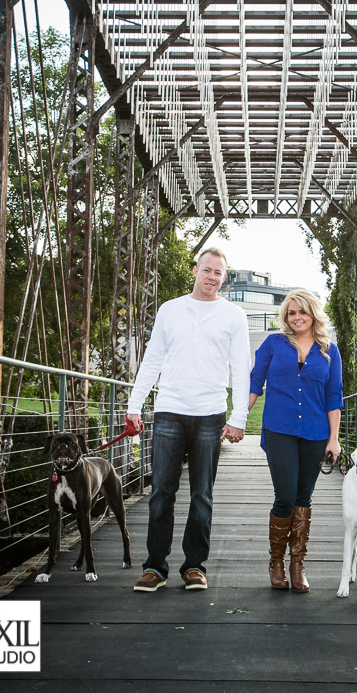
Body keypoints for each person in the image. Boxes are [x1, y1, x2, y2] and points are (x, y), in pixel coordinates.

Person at [125, 247, 250, 592]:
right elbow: (152, 361)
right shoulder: (170, 310)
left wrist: (238, 416)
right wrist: (134, 406)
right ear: (195, 270)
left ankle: (194, 566)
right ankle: (155, 568)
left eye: (218, 273)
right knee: (161, 492)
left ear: (224, 278)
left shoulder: (233, 316)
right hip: (169, 410)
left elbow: (241, 369)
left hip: (210, 414)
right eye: (207, 270)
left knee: (202, 495)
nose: (211, 277)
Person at [249, 289, 343, 593]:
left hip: (315, 433)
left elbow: (333, 395)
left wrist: (334, 439)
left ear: (313, 314)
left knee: (304, 497)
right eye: (291, 312)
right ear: (285, 317)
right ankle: (276, 561)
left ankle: (297, 564)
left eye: (302, 311)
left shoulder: (330, 350)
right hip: (279, 429)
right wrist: (238, 418)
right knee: (285, 496)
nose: (297, 317)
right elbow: (255, 381)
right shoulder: (273, 344)